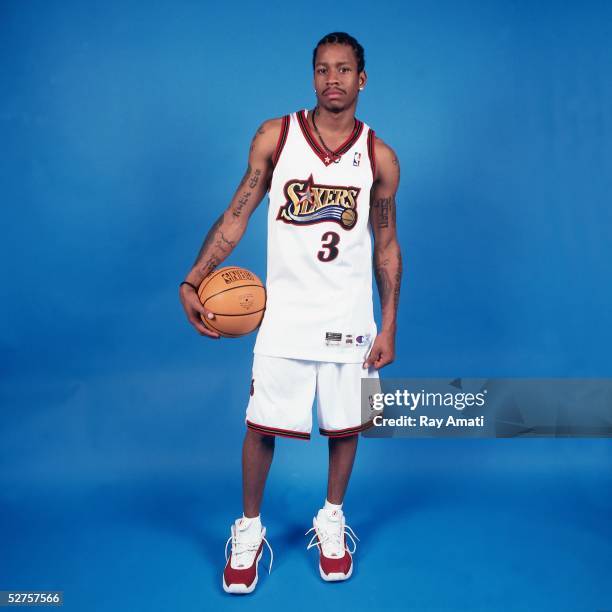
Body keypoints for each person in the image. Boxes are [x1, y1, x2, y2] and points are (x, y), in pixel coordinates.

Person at [179, 32, 402, 594]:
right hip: (284, 317)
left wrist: (390, 319)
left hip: (351, 318)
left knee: (346, 425)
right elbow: (237, 214)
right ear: (313, 77)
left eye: (344, 69)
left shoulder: (379, 156)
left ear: (362, 79)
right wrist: (195, 277)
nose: (333, 79)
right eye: (323, 69)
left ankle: (331, 518)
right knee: (261, 427)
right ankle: (249, 529)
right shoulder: (276, 138)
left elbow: (386, 243)